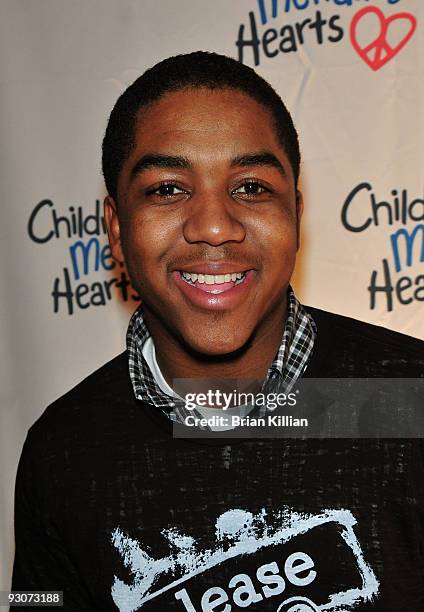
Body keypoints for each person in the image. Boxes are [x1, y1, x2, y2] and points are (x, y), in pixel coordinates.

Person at [11, 52, 424, 611]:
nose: (213, 225)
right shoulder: (59, 449)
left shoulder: (411, 395)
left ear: (297, 217)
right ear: (115, 227)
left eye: (251, 187)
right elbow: (37, 603)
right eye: (167, 189)